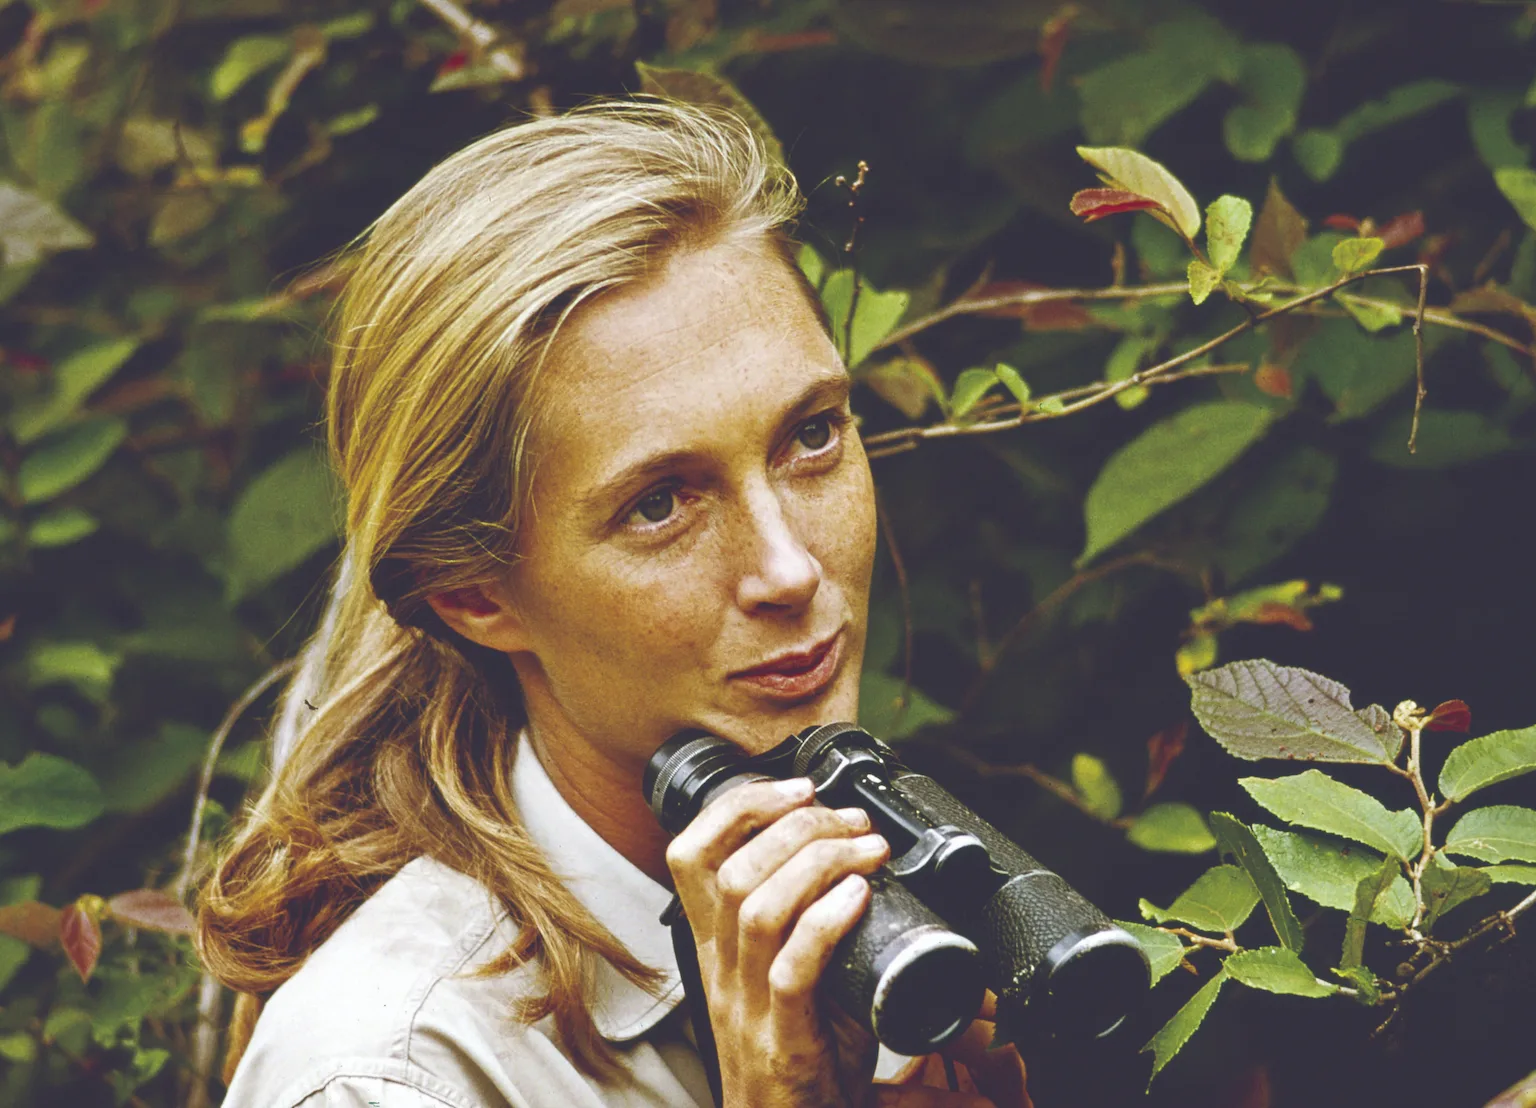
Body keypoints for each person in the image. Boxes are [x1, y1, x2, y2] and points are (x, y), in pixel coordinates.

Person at [195, 99, 1031, 1108]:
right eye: (660, 504)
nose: (788, 569)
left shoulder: (897, 934)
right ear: (470, 593)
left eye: (809, 436)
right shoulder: (386, 1072)